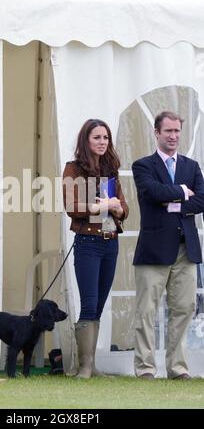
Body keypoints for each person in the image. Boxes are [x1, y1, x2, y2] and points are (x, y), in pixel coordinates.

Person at [132, 111, 204, 380]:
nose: (173, 136)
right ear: (157, 133)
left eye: (177, 131)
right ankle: (146, 369)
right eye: (168, 131)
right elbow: (153, 192)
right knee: (146, 312)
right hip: (153, 250)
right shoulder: (143, 165)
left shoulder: (192, 166)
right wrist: (185, 192)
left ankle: (178, 369)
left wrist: (174, 202)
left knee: (184, 309)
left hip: (186, 250)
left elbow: (202, 200)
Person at [63, 119, 128, 378]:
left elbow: (124, 209)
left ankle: (92, 364)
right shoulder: (73, 169)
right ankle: (84, 367)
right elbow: (71, 206)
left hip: (110, 240)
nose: (102, 142)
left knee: (99, 303)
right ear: (86, 141)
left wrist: (116, 207)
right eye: (97, 137)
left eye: (106, 138)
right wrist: (102, 206)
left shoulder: (111, 169)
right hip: (87, 242)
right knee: (89, 302)